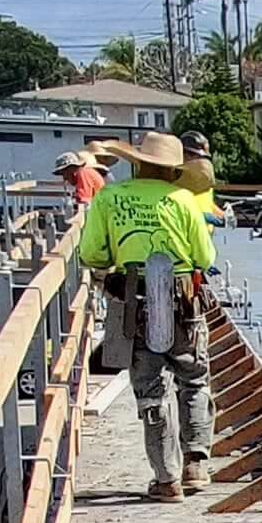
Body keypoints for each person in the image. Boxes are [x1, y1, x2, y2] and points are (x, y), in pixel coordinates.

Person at [76, 129, 216, 497]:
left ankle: (167, 479)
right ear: (172, 170)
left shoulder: (109, 197)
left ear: (137, 165)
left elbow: (92, 256)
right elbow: (205, 258)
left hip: (134, 303)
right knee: (193, 379)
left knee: (151, 392)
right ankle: (196, 465)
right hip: (182, 302)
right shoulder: (184, 200)